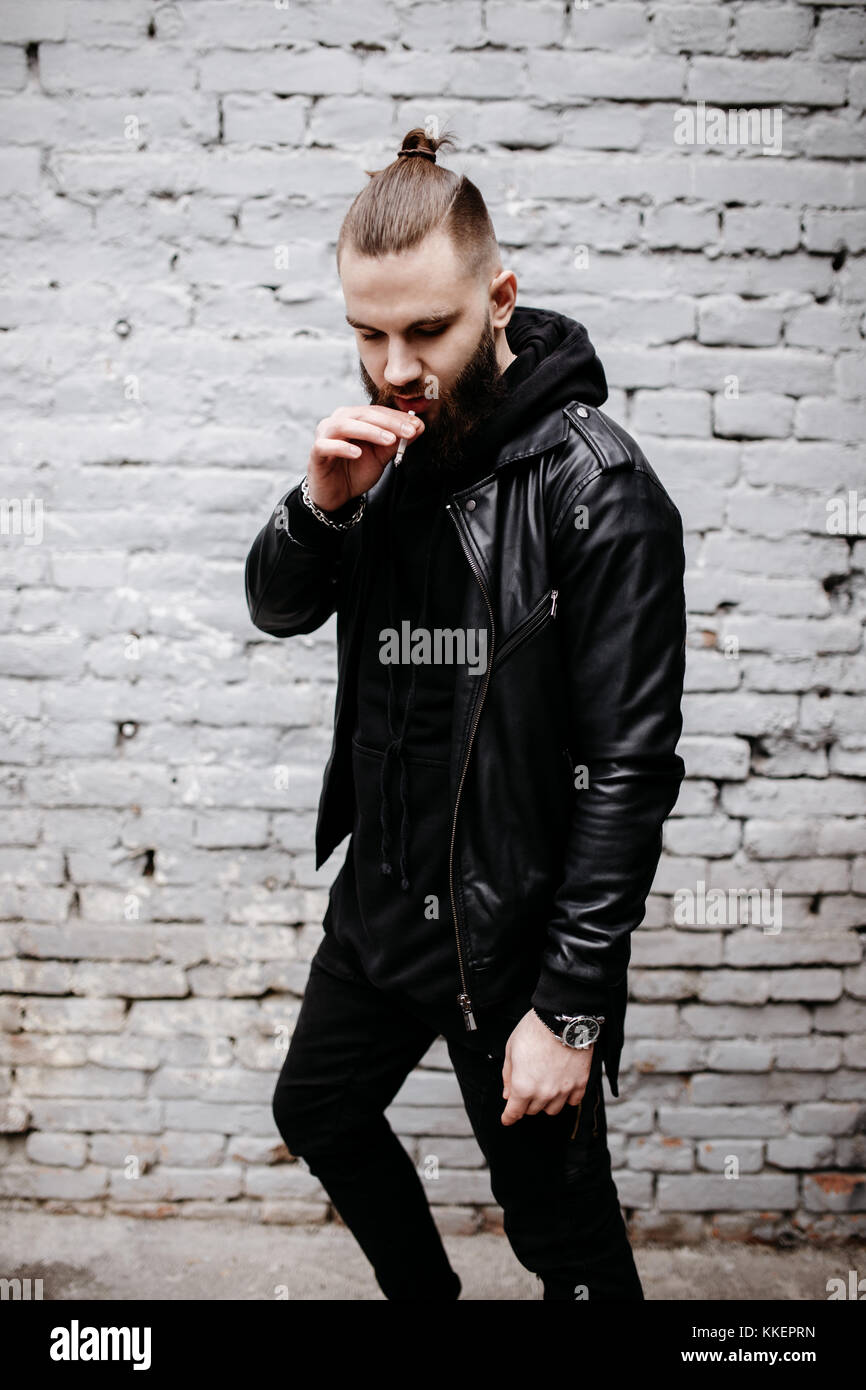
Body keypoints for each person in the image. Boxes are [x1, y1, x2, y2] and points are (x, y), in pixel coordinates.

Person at [244, 126, 687, 1300]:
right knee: (318, 1109)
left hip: (513, 936)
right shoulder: (384, 455)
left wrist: (572, 1004)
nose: (394, 367)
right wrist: (320, 508)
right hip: (385, 905)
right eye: (366, 333)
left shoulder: (600, 491)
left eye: (426, 331)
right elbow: (277, 608)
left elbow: (628, 767)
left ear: (498, 297)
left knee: (561, 1240)